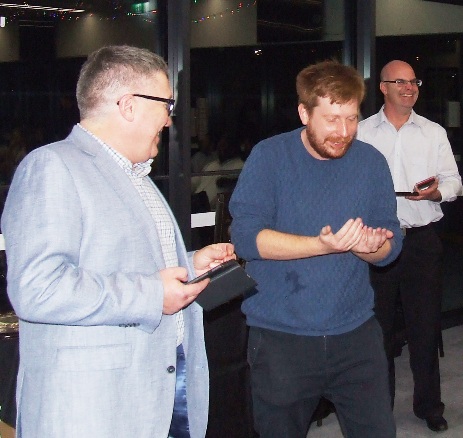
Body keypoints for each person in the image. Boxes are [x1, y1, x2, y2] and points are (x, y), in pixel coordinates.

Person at [1, 45, 235, 438]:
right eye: (166, 105)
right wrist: (150, 294)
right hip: (95, 408)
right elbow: (36, 288)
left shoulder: (136, 175)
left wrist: (190, 265)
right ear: (128, 104)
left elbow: (124, 264)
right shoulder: (52, 166)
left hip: (155, 392)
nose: (169, 121)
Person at [229, 60, 403, 438]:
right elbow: (245, 237)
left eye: (352, 119)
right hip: (280, 337)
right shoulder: (270, 157)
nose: (343, 132)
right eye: (332, 119)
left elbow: (391, 243)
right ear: (304, 113)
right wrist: (320, 245)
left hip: (356, 334)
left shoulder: (371, 162)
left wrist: (370, 247)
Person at [357, 60, 462, 433]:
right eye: (398, 81)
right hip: (378, 242)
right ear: (382, 87)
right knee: (377, 332)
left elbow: (454, 181)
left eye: (413, 81)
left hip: (422, 242)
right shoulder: (362, 132)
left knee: (425, 326)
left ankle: (429, 405)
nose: (408, 87)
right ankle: (379, 408)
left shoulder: (432, 132)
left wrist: (438, 192)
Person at [194, 132, 244, 210]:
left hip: (215, 214)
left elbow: (241, 184)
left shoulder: (240, 166)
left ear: (233, 148)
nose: (221, 149)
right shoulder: (212, 165)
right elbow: (195, 182)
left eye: (224, 146)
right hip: (195, 207)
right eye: (220, 146)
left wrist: (229, 181)